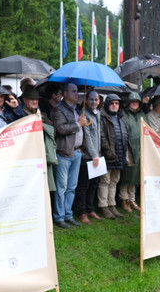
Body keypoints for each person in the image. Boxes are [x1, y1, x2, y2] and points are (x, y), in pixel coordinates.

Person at [51, 83, 88, 228]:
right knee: (62, 187)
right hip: (64, 153)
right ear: (64, 93)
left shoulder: (76, 110)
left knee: (72, 187)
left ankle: (68, 214)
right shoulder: (58, 110)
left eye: (77, 91)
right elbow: (60, 129)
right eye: (73, 91)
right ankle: (59, 217)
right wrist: (78, 124)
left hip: (77, 152)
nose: (76, 94)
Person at [97, 94, 128, 219]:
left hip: (119, 155)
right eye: (112, 103)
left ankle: (112, 204)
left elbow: (125, 136)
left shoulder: (121, 118)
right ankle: (103, 206)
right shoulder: (102, 117)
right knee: (105, 181)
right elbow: (102, 136)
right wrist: (108, 150)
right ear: (107, 104)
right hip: (107, 155)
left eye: (117, 103)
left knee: (114, 181)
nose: (115, 105)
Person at [74, 91, 102, 224]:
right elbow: (88, 137)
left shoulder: (98, 114)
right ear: (86, 100)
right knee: (84, 186)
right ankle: (82, 212)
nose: (94, 102)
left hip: (97, 155)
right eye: (91, 99)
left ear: (99, 101)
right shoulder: (84, 115)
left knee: (94, 184)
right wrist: (94, 154)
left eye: (96, 99)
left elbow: (98, 135)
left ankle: (91, 209)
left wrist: (99, 154)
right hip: (88, 156)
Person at [119, 92, 144, 212]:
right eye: (132, 101)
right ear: (129, 102)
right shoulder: (123, 114)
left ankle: (132, 199)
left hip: (140, 149)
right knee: (126, 175)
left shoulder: (142, 115)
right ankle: (124, 199)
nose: (134, 104)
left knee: (135, 175)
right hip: (128, 148)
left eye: (136, 102)